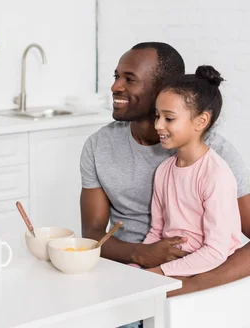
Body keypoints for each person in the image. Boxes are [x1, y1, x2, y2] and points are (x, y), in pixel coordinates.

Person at [80, 42, 250, 297]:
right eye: (116, 76)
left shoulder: (216, 158)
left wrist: (175, 287)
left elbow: (219, 248)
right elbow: (93, 235)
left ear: (164, 89)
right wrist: (140, 260)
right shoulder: (99, 146)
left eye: (130, 79)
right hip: (131, 275)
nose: (116, 86)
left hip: (183, 282)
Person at [143, 65, 241, 277]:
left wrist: (158, 272)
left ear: (201, 121)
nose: (158, 125)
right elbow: (156, 233)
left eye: (169, 118)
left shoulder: (216, 176)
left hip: (208, 271)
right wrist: (138, 270)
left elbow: (216, 251)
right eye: (157, 116)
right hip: (171, 267)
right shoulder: (163, 171)